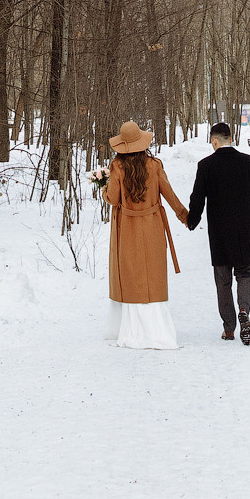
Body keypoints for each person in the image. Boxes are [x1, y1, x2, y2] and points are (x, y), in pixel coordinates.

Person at [100, 120, 188, 350]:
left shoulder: (117, 167)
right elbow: (169, 194)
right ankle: (159, 331)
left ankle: (133, 331)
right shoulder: (155, 165)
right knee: (153, 274)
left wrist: (103, 188)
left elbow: (113, 199)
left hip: (127, 228)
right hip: (152, 226)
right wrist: (185, 216)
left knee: (132, 276)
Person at [185, 121, 250, 344]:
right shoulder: (249, 163)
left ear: (214, 141)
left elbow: (198, 198)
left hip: (219, 233)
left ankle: (229, 328)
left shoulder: (206, 165)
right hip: (246, 230)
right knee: (245, 274)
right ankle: (244, 310)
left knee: (223, 280)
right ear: (231, 139)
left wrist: (191, 220)